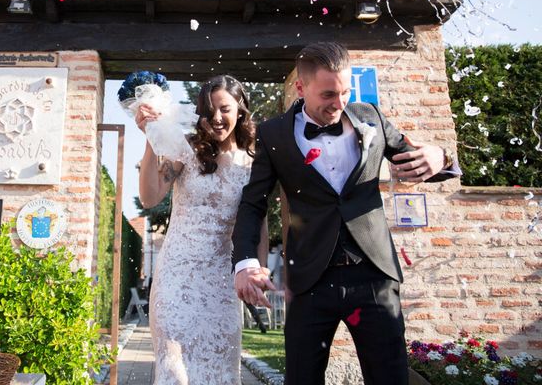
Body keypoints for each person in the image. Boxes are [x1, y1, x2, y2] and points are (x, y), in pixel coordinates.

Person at [232, 42, 459, 385]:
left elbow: (420, 158)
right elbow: (253, 204)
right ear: (300, 87)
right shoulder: (273, 133)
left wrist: (439, 156)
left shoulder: (371, 117)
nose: (339, 104)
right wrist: (246, 263)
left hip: (374, 276)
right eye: (327, 95)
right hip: (309, 280)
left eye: (345, 92)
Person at [136, 75, 269, 384]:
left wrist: (258, 272)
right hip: (176, 278)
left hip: (222, 282)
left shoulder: (255, 164)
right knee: (174, 371)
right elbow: (149, 196)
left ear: (240, 109)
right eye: (209, 111)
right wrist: (149, 138)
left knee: (219, 373)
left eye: (225, 109)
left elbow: (258, 224)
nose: (217, 118)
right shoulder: (186, 150)